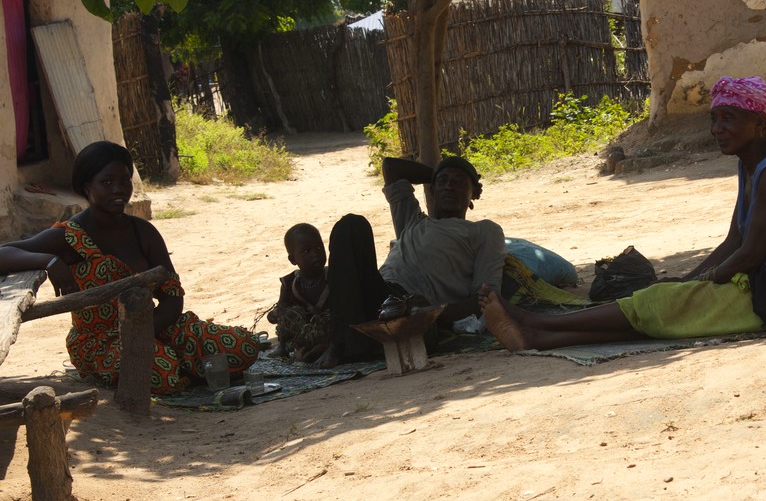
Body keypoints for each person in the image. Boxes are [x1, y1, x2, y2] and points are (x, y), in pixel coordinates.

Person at [479, 76, 766, 351]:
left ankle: (533, 320)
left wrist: (696, 283)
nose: (717, 129)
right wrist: (689, 278)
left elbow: (751, 253)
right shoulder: (751, 165)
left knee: (661, 303)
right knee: (664, 307)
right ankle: (536, 336)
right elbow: (735, 239)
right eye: (714, 119)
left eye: (728, 119)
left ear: (759, 124)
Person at [0, 141, 260, 393]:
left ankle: (183, 365)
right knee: (161, 370)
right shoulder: (69, 237)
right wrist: (49, 261)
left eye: (125, 181)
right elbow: (4, 253)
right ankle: (185, 367)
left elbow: (173, 298)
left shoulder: (143, 233)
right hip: (100, 342)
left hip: (154, 325)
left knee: (244, 346)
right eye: (107, 182)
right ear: (86, 186)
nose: (119, 189)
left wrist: (145, 333)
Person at [313, 156, 507, 367]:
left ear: (473, 195)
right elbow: (391, 167)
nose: (449, 187)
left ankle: (348, 344)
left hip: (417, 311)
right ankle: (342, 342)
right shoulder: (412, 219)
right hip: (379, 297)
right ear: (431, 192)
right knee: (351, 224)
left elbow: (485, 298)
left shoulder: (484, 231)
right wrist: (439, 171)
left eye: (459, 182)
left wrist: (432, 311)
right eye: (443, 182)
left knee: (403, 319)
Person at [266, 223, 331, 362]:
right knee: (290, 314)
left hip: (326, 331)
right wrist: (276, 314)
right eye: (306, 251)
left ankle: (320, 348)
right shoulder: (290, 283)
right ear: (293, 259)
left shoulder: (332, 276)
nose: (316, 254)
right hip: (301, 333)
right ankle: (283, 346)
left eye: (319, 247)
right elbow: (281, 307)